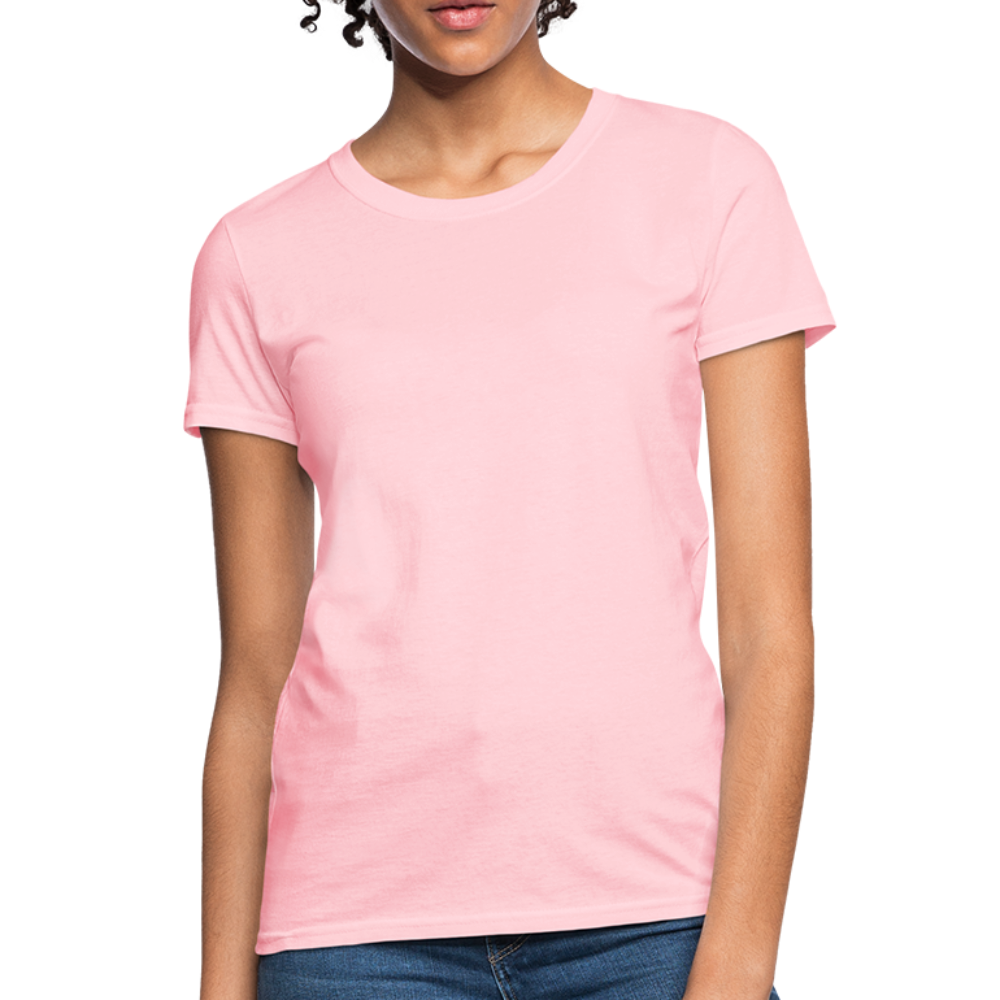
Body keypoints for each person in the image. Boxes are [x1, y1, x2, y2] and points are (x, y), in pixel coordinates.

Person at [192, 3, 835, 998]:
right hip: (349, 938)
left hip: (654, 921)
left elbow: (769, 632)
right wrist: (222, 981)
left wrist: (739, 966)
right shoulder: (256, 252)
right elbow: (253, 678)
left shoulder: (709, 179)